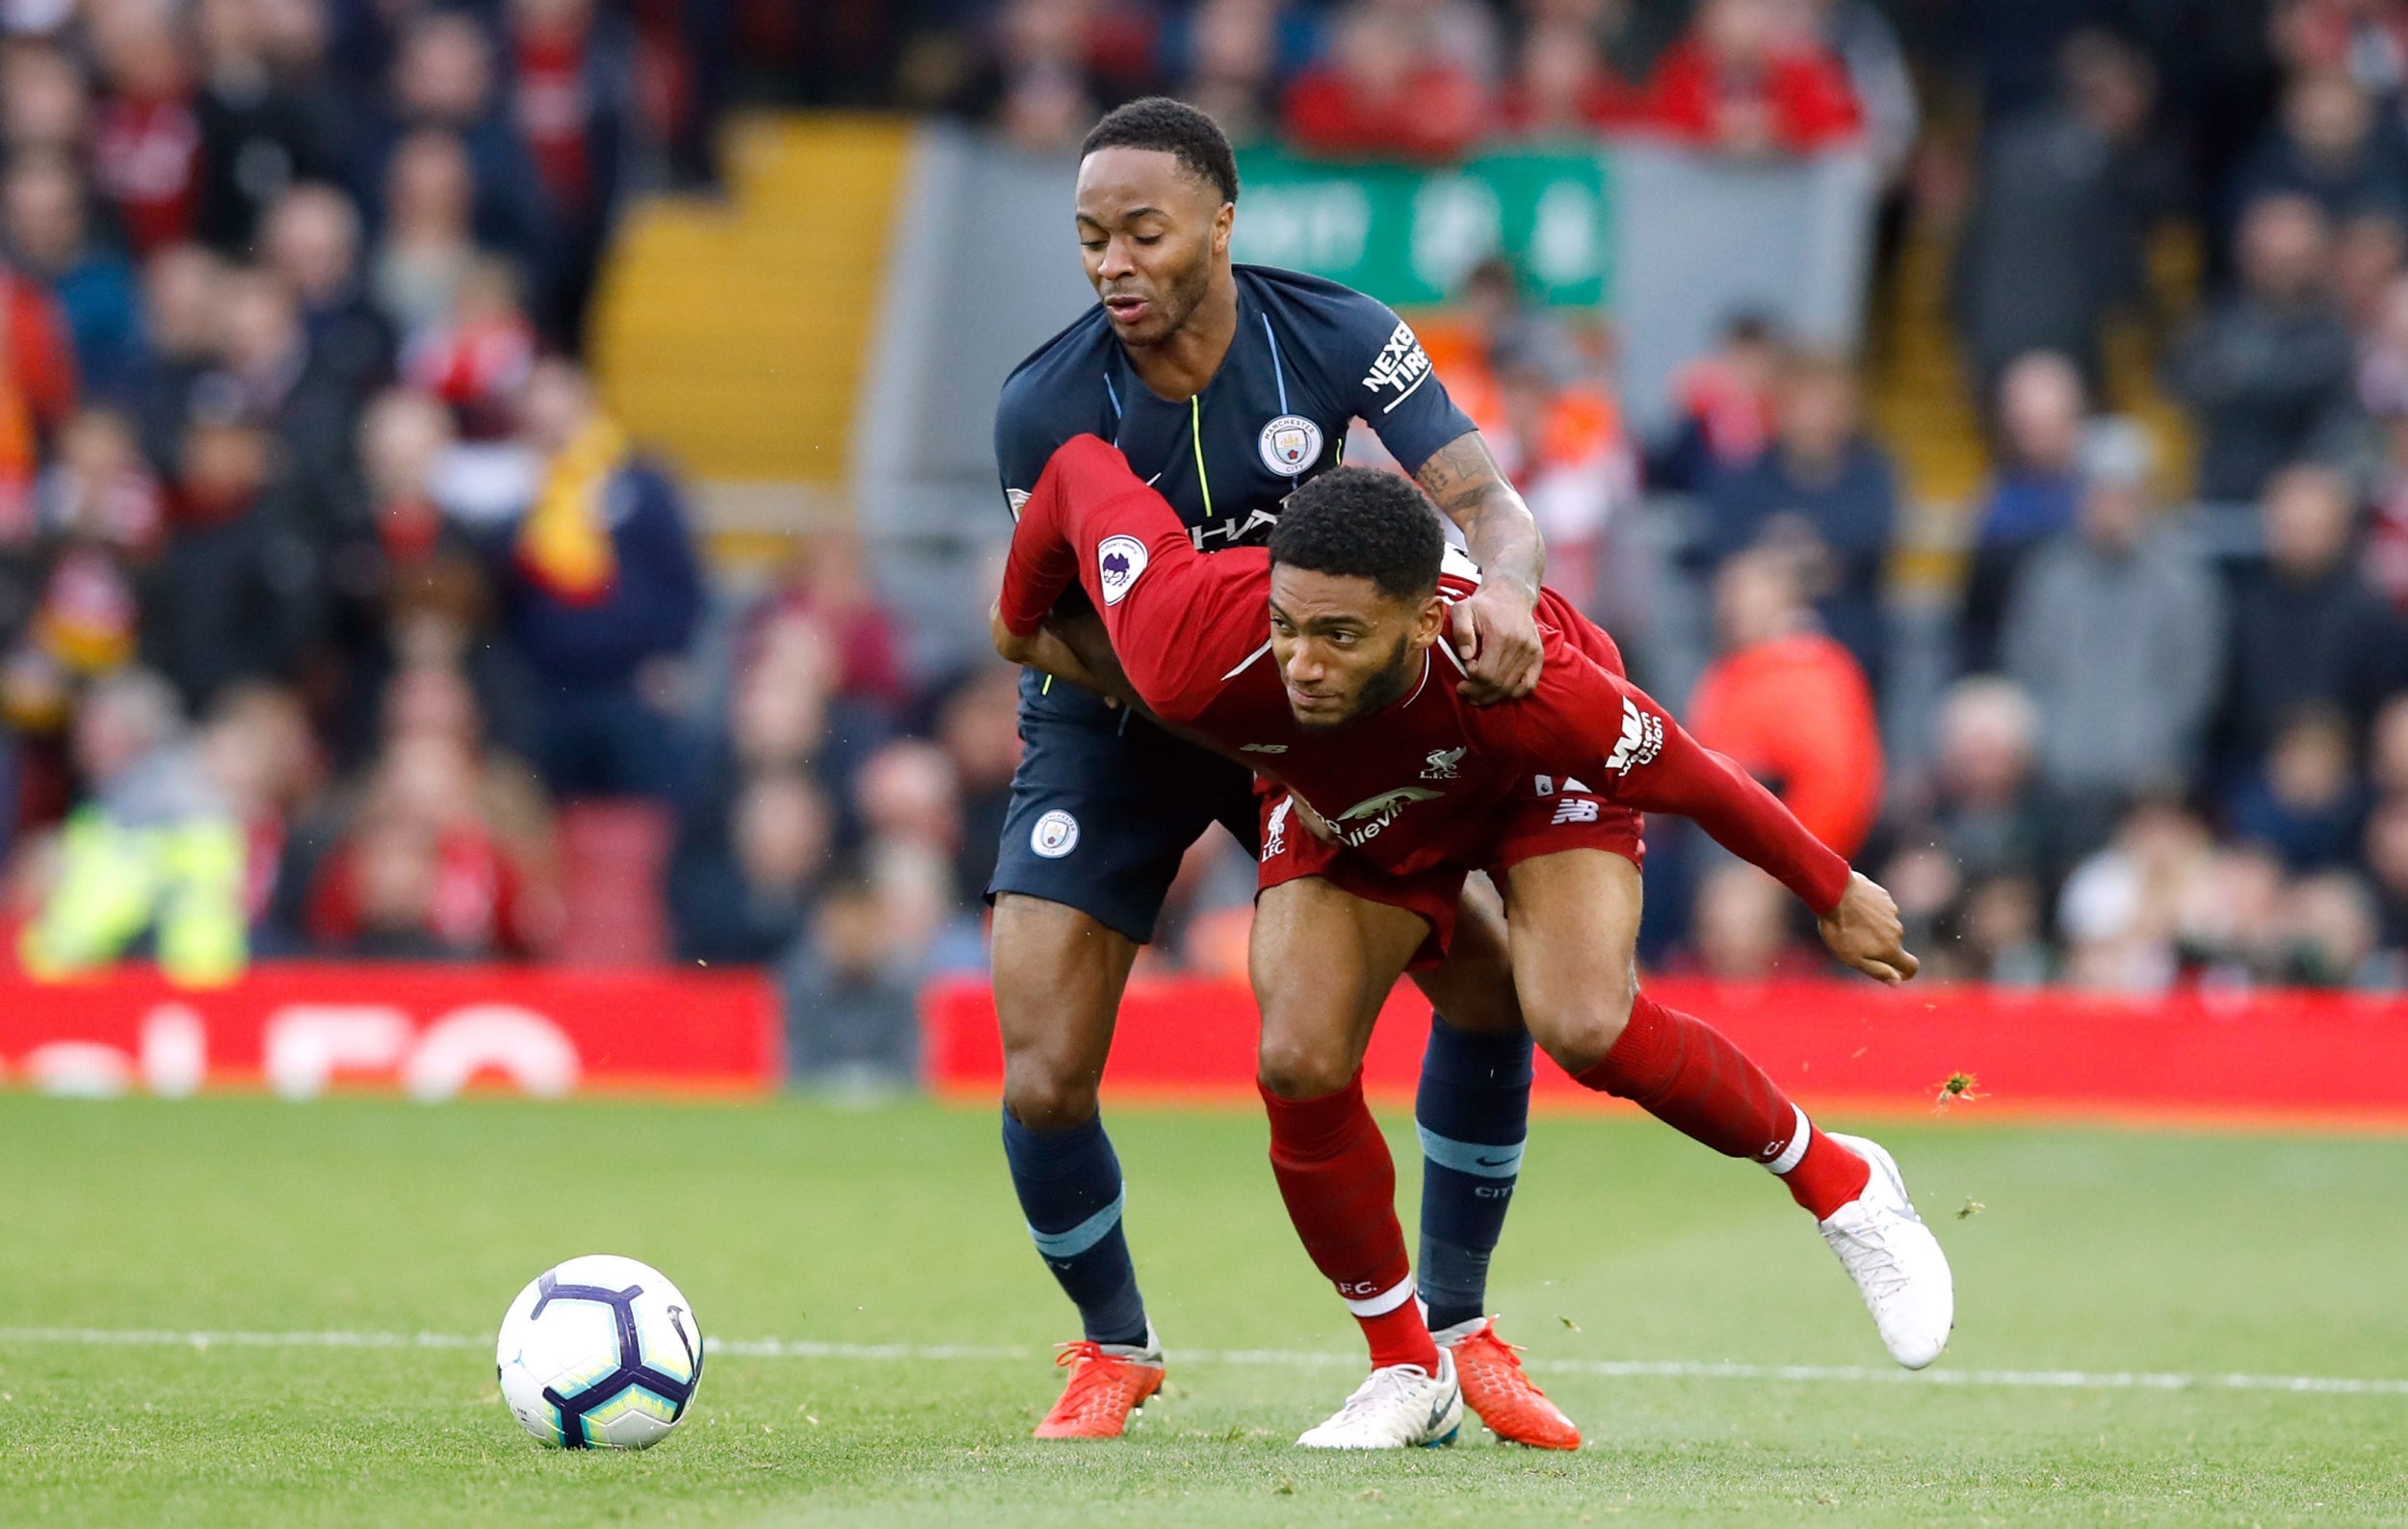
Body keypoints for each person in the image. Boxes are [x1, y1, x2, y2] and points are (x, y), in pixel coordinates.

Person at [998, 438, 1950, 1448]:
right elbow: (1073, 473)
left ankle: (1844, 1188)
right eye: (1285, 627)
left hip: (1525, 781)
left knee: (1584, 1024)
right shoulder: (1194, 645)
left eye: (1338, 635)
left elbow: (1695, 776)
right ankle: (1408, 1367)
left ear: (1425, 619)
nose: (1303, 664)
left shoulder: (1530, 682)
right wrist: (1014, 626)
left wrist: (1830, 887)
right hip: (1356, 806)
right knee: (1298, 1058)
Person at [988, 97, 1567, 1447]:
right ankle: (1112, 1344)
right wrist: (1208, 707)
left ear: (1221, 221)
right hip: (1119, 714)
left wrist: (1520, 597)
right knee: (1039, 1070)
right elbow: (1044, 619)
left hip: (1316, 710)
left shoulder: (1343, 333)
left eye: (1143, 230)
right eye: (1090, 239)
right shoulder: (1044, 403)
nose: (1113, 263)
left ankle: (1463, 1330)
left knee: (1485, 976)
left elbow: (1486, 504)